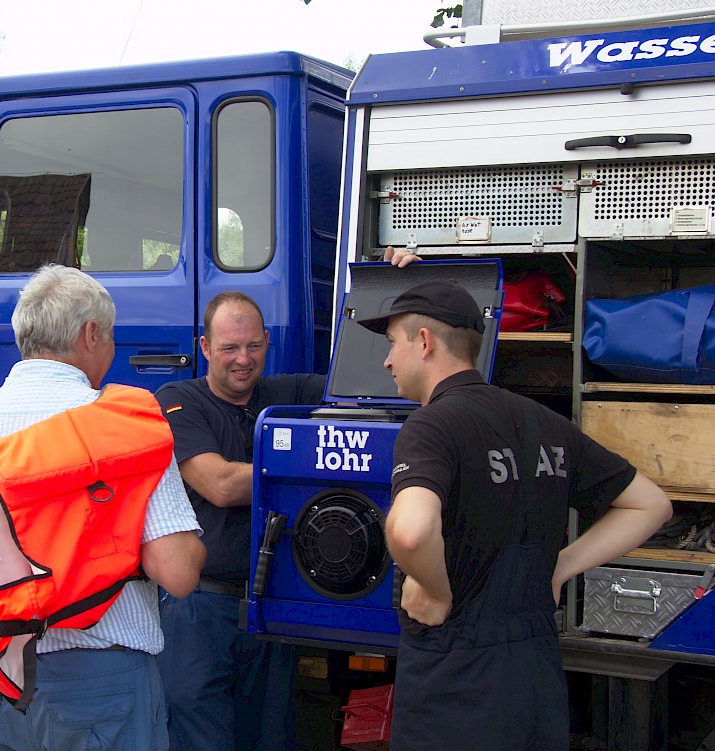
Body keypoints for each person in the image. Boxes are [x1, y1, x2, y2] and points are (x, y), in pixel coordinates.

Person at [354, 278, 673, 751]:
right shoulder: (544, 422)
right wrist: (560, 566)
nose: (386, 361)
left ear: (423, 343)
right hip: (535, 675)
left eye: (392, 343)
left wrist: (437, 591)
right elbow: (652, 505)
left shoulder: (430, 426)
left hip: (457, 679)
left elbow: (410, 530)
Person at [0, 264, 206, 751]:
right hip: (104, 686)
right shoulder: (124, 431)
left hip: (0, 683)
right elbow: (177, 572)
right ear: (91, 334)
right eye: (111, 336)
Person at [152, 247, 418, 750]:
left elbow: (380, 383)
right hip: (200, 611)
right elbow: (222, 485)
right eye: (230, 348)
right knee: (197, 736)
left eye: (254, 346)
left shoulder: (286, 391)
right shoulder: (178, 400)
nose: (244, 359)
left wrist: (398, 297)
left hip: (272, 609)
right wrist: (308, 461)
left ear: (268, 343)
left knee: (269, 738)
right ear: (204, 347)